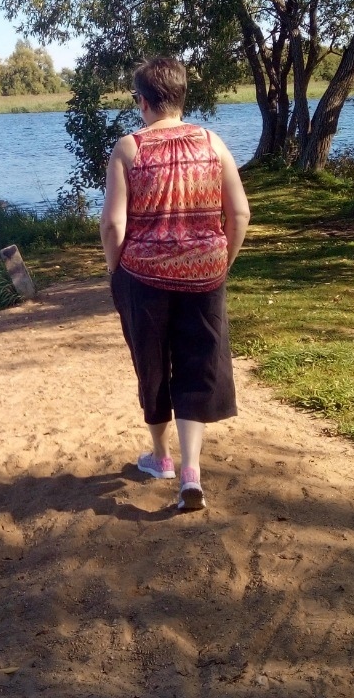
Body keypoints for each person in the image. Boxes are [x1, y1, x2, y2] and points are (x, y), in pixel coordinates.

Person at [100, 57, 251, 511]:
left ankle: (161, 457)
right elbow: (240, 213)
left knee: (152, 362)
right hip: (205, 274)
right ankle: (191, 471)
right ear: (182, 97)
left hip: (143, 278)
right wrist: (221, 260)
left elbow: (112, 224)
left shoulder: (129, 148)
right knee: (196, 363)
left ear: (142, 101)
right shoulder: (213, 143)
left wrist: (114, 270)